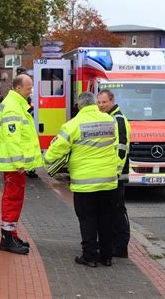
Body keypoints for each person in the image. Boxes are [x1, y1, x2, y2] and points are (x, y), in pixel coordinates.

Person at [44, 92, 119, 267]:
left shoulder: (72, 125)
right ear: (95, 103)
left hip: (85, 183)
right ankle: (107, 256)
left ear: (79, 106)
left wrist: (46, 161)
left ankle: (90, 257)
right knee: (106, 219)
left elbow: (56, 149)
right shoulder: (110, 121)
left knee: (88, 220)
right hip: (108, 181)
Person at [0, 74, 43, 254]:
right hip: (14, 165)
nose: (31, 90)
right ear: (18, 88)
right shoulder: (13, 108)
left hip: (15, 164)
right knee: (12, 199)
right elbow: (12, 138)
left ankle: (11, 234)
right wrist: (18, 162)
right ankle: (7, 239)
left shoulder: (15, 105)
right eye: (29, 87)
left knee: (14, 199)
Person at [97, 89, 131, 258]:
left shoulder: (118, 119)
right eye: (99, 102)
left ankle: (121, 247)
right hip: (111, 174)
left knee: (118, 211)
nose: (101, 105)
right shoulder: (108, 118)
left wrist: (115, 171)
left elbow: (122, 148)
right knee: (110, 211)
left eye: (104, 102)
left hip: (117, 174)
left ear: (112, 101)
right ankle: (113, 244)